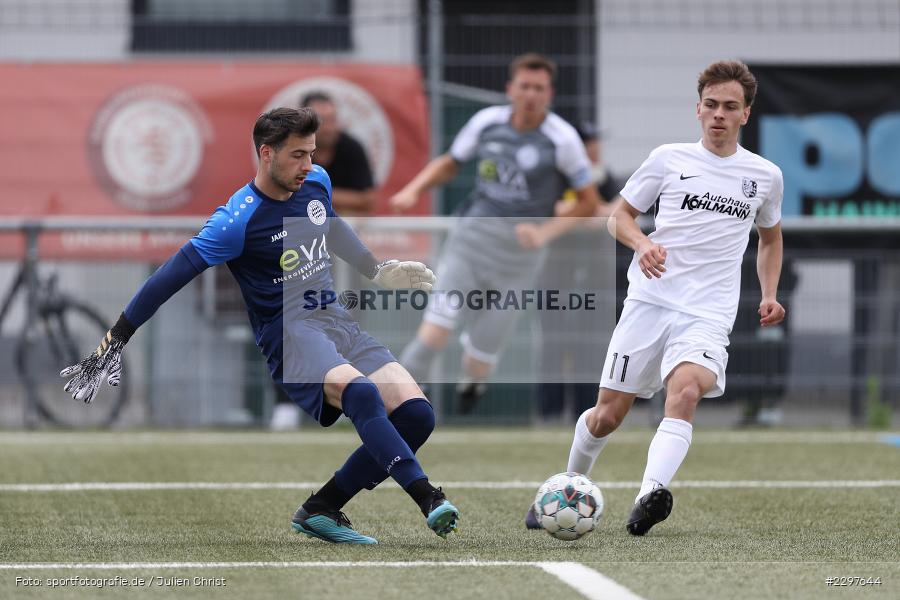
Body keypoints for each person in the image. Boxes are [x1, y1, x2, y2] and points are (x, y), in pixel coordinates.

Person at [60, 107, 459, 545]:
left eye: (311, 153)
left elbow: (330, 224)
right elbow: (167, 278)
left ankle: (321, 508)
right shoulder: (236, 221)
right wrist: (116, 338)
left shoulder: (316, 183)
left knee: (418, 415)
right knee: (360, 392)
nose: (308, 165)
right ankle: (427, 496)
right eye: (297, 155)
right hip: (290, 335)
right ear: (266, 154)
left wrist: (375, 269)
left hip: (335, 321)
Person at [526, 60, 785, 534]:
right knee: (607, 415)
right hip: (649, 302)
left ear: (746, 114)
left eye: (730, 107)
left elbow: (770, 238)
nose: (719, 115)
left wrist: (769, 292)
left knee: (684, 392)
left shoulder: (764, 176)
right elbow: (618, 216)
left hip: (708, 312)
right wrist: (643, 244)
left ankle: (650, 495)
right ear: (698, 109)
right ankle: (568, 484)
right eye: (711, 105)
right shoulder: (669, 158)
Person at [390, 53, 603, 414]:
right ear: (510, 89)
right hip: (470, 242)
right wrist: (413, 189)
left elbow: (589, 202)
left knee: (482, 354)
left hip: (519, 259)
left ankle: (473, 381)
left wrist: (545, 233)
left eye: (539, 88)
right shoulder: (486, 123)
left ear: (549, 94)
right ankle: (396, 408)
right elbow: (449, 162)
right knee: (434, 332)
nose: (531, 94)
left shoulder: (562, 140)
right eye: (524, 86)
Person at [269, 91, 378, 430]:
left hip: (339, 258)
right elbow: (277, 193)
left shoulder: (349, 151)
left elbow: (366, 200)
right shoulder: (284, 156)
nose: (327, 126)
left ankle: (350, 399)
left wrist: (318, 196)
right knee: (289, 329)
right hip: (296, 256)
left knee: (344, 325)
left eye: (331, 118)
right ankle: (285, 405)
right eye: (320, 118)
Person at [536, 122, 621, 423]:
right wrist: (585, 212)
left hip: (596, 276)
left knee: (592, 344)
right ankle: (549, 413)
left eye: (596, 142)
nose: (595, 148)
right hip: (557, 274)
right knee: (555, 342)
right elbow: (554, 209)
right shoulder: (559, 177)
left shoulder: (606, 177)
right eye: (589, 143)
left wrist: (584, 211)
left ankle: (585, 411)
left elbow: (615, 213)